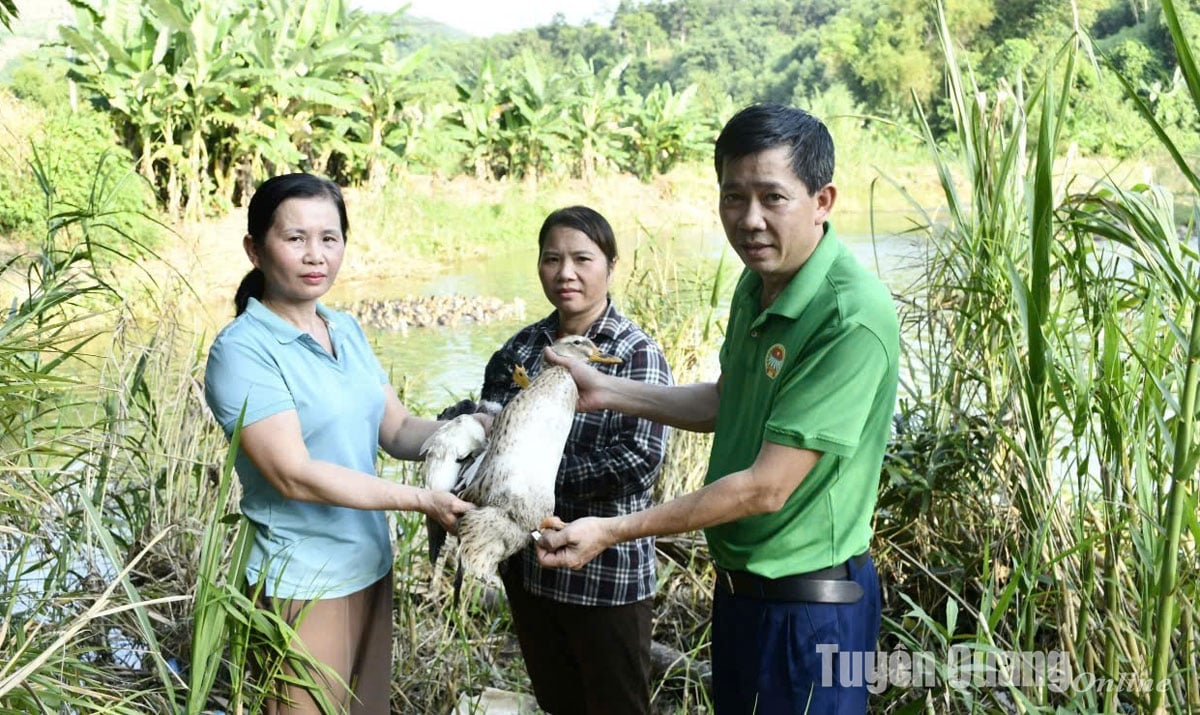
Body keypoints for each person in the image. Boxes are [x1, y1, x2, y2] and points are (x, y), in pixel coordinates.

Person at [535, 104, 900, 714]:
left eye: (772, 198)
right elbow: (727, 402)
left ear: (823, 200)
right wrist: (604, 389)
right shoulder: (758, 284)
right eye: (733, 197)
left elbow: (764, 488)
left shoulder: (849, 315)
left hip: (812, 611)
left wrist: (614, 531)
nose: (749, 221)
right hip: (743, 595)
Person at [203, 173, 475, 715]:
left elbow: (397, 431)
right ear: (255, 249)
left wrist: (476, 429)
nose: (315, 255)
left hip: (370, 565)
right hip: (300, 580)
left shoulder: (344, 328)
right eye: (295, 238)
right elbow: (293, 474)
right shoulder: (242, 352)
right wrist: (423, 500)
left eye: (329, 238)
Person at [476, 205, 673, 715]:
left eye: (583, 258)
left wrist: (533, 478)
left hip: (608, 574)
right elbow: (488, 435)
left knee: (618, 706)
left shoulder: (635, 353)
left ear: (610, 265)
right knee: (558, 702)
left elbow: (638, 460)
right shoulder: (521, 350)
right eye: (552, 259)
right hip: (532, 571)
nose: (566, 273)